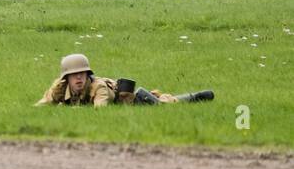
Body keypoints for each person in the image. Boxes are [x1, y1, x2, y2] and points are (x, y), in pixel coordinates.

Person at [35, 54, 212, 107]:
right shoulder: (60, 88)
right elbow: (42, 105)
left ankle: (194, 97)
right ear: (66, 78)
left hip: (130, 101)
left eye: (82, 73)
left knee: (163, 105)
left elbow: (100, 110)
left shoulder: (98, 87)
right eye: (75, 75)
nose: (79, 77)